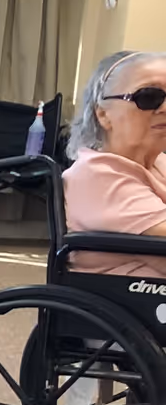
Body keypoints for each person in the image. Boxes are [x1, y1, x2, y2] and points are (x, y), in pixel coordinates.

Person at [60, 49, 166, 277]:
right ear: (103, 115)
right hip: (139, 301)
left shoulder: (158, 161)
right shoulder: (98, 176)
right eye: (148, 97)